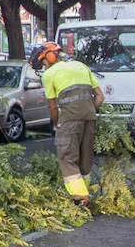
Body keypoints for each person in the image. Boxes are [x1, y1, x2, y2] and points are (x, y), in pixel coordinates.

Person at [32, 41, 104, 206]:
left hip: (69, 120)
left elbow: (52, 106)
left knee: (67, 157)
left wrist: (57, 125)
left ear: (49, 58)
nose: (43, 67)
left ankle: (81, 197)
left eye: (43, 63)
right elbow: (100, 97)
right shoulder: (81, 66)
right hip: (90, 118)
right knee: (85, 160)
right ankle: (86, 194)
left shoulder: (49, 75)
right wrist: (89, 111)